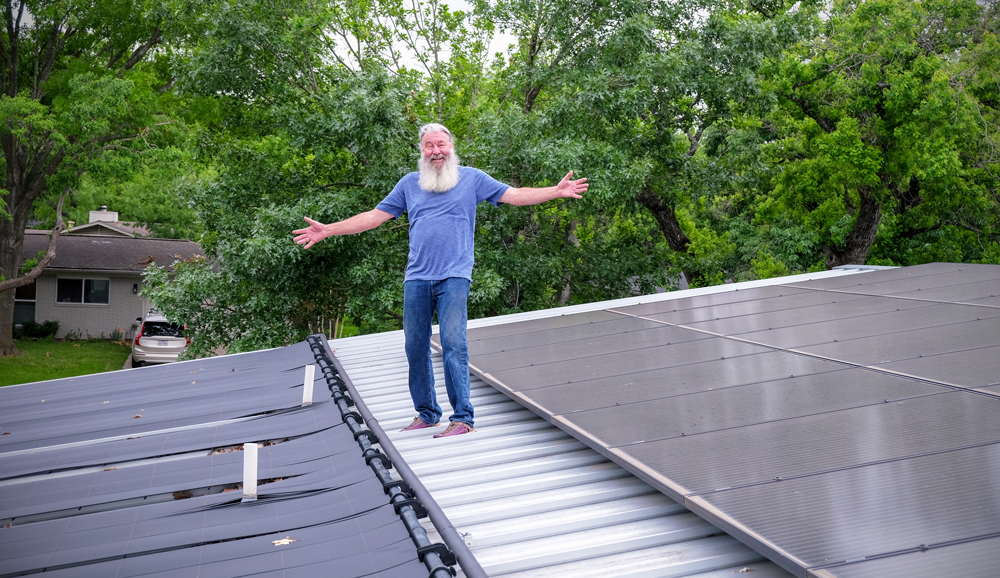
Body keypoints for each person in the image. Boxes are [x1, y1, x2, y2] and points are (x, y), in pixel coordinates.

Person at [293, 123, 587, 437]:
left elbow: (515, 195)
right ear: (421, 151)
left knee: (453, 344)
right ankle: (427, 413)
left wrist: (555, 192)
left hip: (454, 277)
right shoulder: (409, 184)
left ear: (451, 146)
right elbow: (373, 217)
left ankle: (462, 418)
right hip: (417, 277)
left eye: (441, 145)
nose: (436, 152)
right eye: (429, 146)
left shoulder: (473, 179)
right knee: (414, 346)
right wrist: (328, 229)